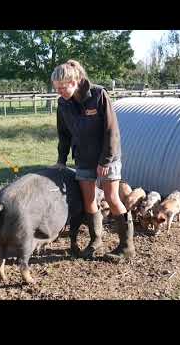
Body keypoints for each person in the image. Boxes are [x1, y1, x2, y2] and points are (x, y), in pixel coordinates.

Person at [51, 59, 135, 261]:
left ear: (76, 80)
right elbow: (64, 134)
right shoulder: (63, 104)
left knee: (112, 198)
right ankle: (96, 240)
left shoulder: (98, 95)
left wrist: (105, 161)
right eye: (57, 88)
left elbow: (111, 130)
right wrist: (61, 160)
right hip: (83, 158)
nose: (60, 91)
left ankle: (126, 247)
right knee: (89, 201)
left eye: (63, 87)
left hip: (107, 156)